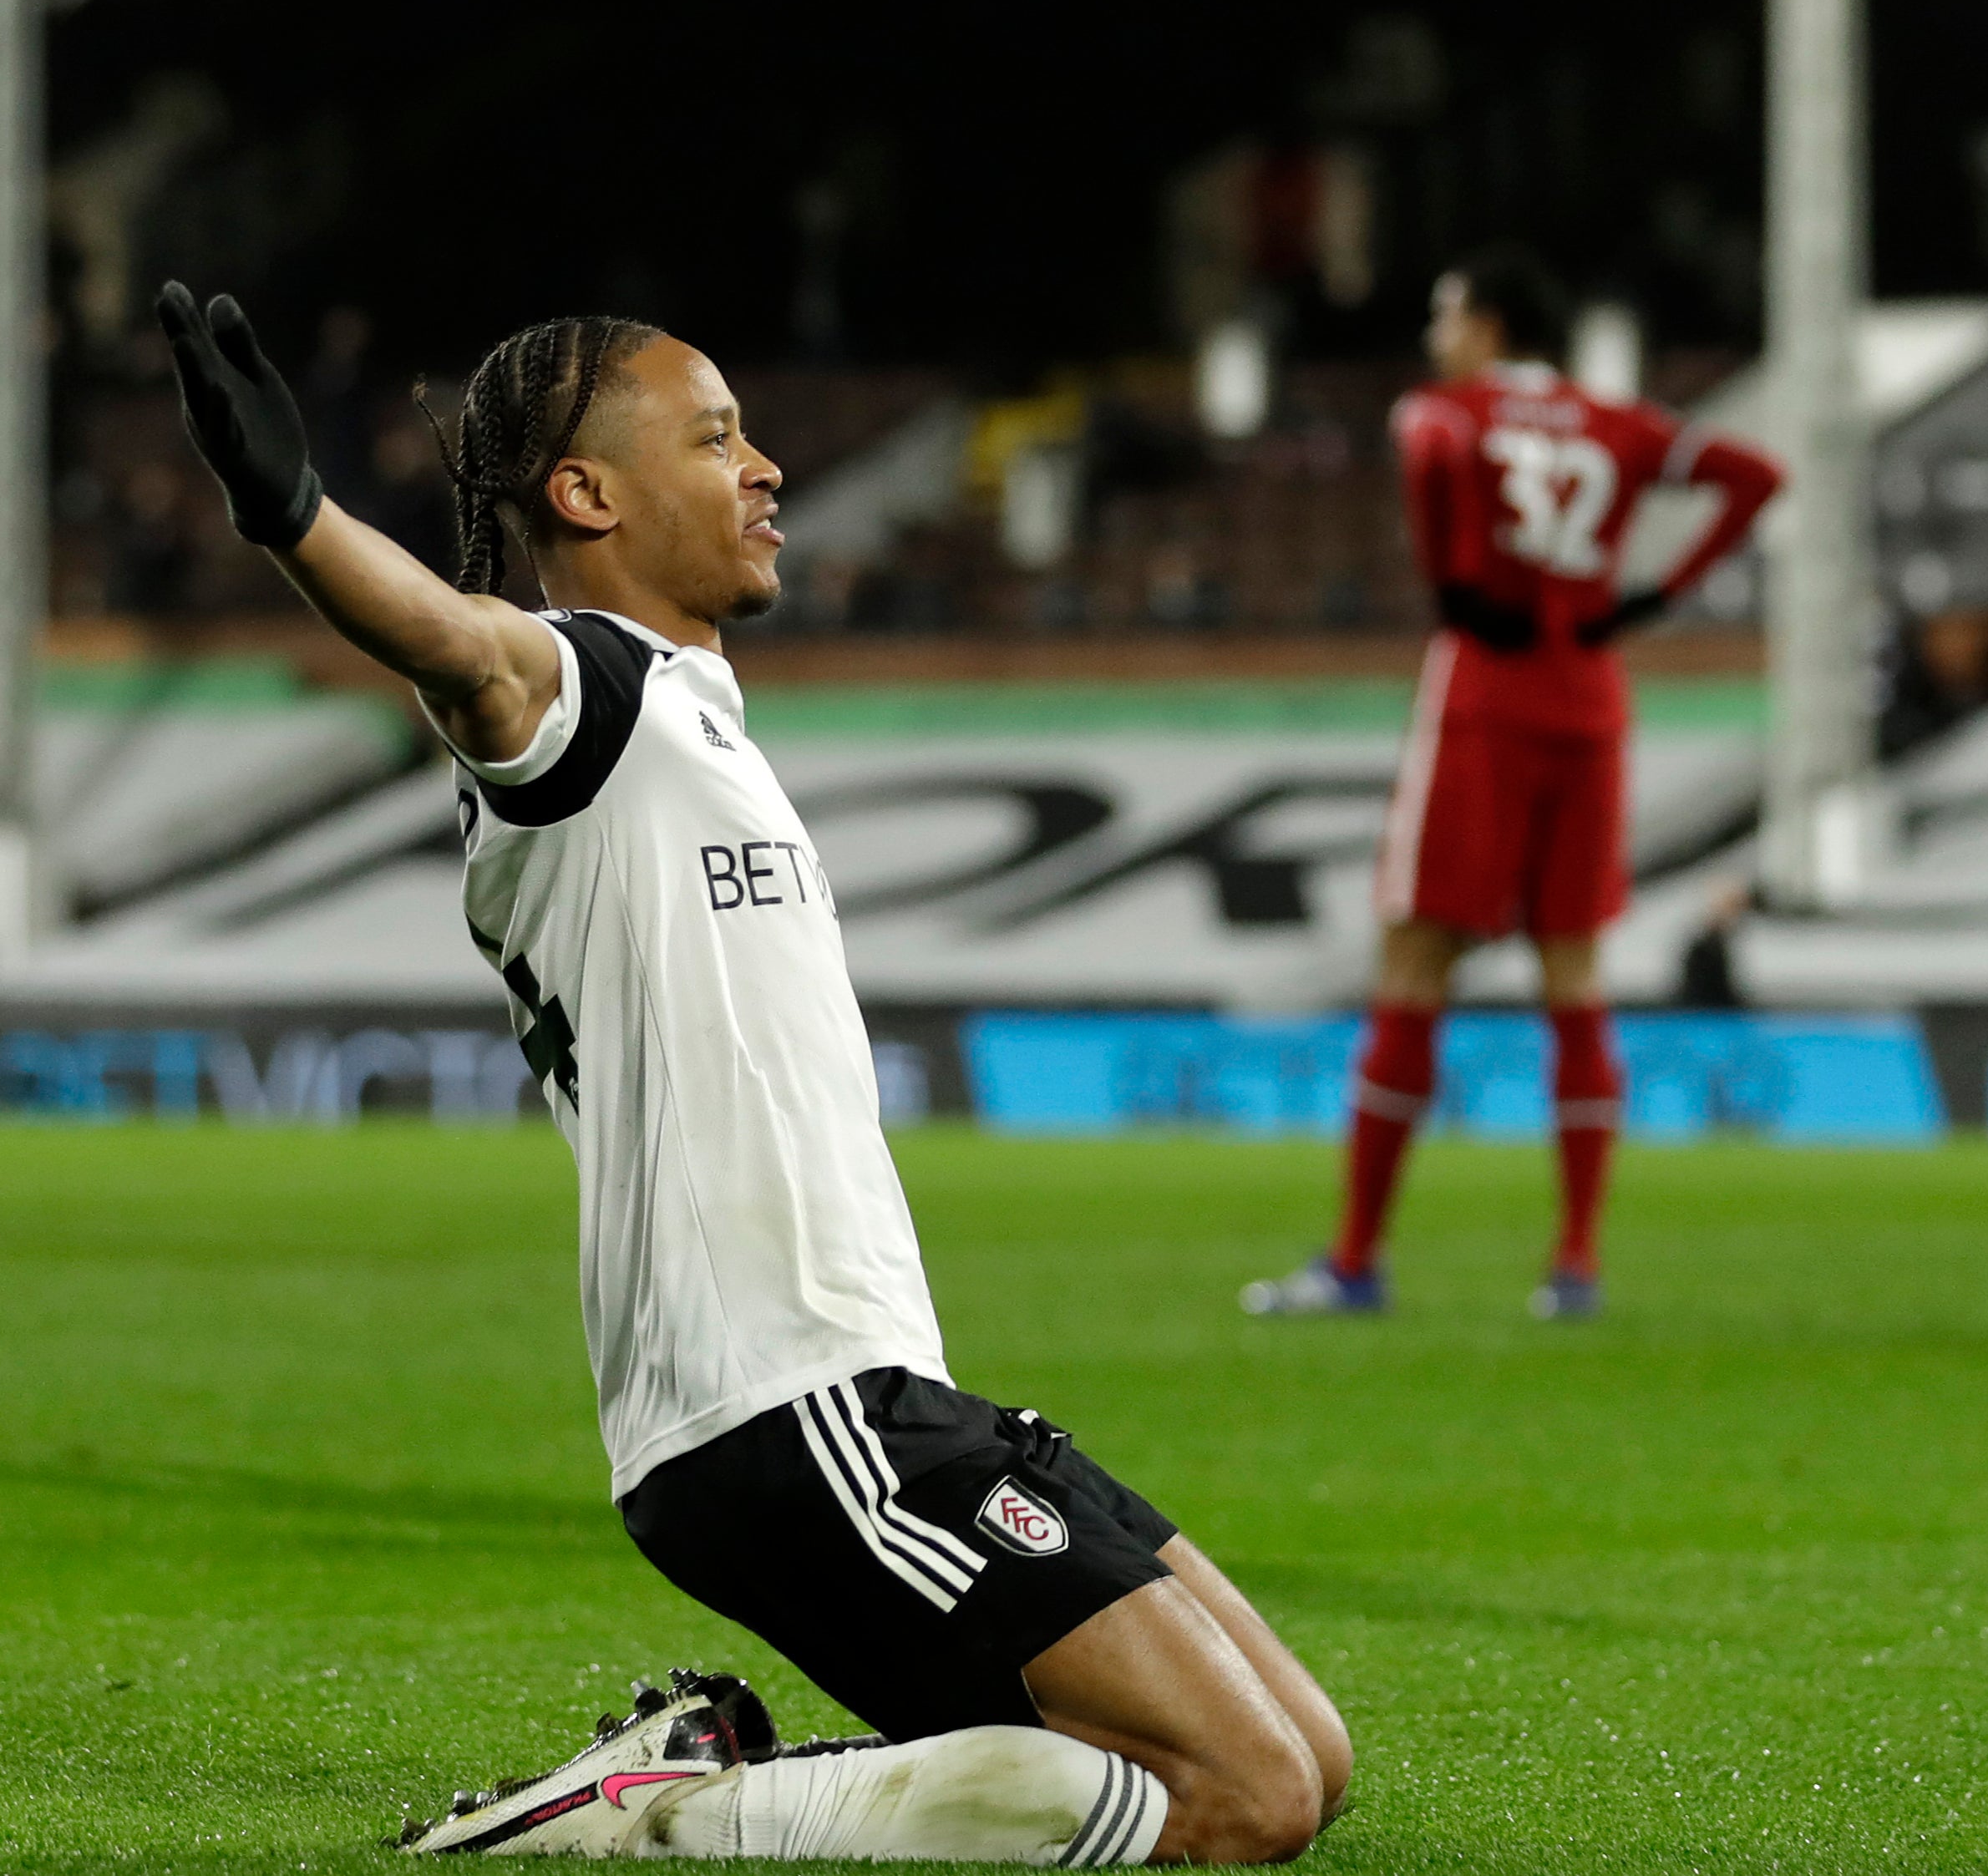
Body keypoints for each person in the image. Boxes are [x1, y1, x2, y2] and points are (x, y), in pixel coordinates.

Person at [155, 283, 1352, 1863]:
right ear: (583, 495)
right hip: (777, 1404)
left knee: (1309, 1764)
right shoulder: (583, 695)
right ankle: (653, 1819)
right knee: (1235, 1799)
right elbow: (461, 649)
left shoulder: (692, 719)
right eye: (715, 439)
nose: (767, 466)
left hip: (875, 1390)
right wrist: (294, 516)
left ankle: (715, 1784)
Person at [1241, 246, 1783, 1323]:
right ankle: (1575, 1264)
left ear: (1489, 324)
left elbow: (1429, 454)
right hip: (1589, 697)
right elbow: (1754, 477)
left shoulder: (1450, 409)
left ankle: (1357, 1259)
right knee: (1574, 978)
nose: (1438, 335)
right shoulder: (1618, 423)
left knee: (1415, 962)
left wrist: (1455, 578)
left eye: (1448, 314)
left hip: (1486, 695)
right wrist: (1647, 597)